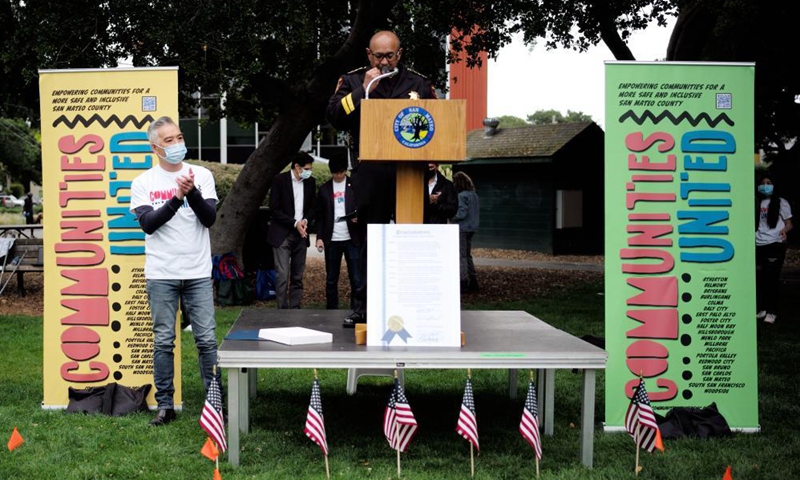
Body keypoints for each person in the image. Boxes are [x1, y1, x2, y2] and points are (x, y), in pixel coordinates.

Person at [327, 30, 437, 323]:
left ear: (399, 54)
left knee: (412, 240)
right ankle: (364, 309)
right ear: (368, 55)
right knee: (368, 243)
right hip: (370, 174)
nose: (385, 61)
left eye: (390, 55)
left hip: (409, 174)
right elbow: (335, 115)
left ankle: (414, 308)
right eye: (379, 56)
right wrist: (362, 91)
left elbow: (438, 121)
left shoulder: (418, 83)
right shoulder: (353, 80)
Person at [130, 116, 220, 426]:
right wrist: (176, 197)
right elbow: (148, 224)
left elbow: (209, 218)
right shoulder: (143, 183)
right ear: (155, 147)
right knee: (164, 340)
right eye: (168, 140)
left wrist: (191, 192)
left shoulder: (203, 175)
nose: (177, 144)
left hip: (196, 271)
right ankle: (165, 405)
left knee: (207, 340)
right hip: (162, 273)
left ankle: (214, 403)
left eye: (179, 137)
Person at [315, 156, 364, 326]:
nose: (338, 176)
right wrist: (320, 238)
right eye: (335, 173)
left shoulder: (355, 186)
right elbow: (320, 217)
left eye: (341, 172)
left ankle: (356, 311)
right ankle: (331, 310)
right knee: (331, 278)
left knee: (357, 278)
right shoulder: (324, 189)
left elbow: (363, 208)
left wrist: (359, 218)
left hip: (352, 238)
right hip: (332, 239)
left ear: (345, 170)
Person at [267, 152, 316, 309]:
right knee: (282, 275)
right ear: (297, 167)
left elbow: (312, 208)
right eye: (307, 168)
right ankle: (282, 310)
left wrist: (305, 221)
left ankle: (295, 310)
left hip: (301, 235)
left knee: (297, 276)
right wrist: (295, 223)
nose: (310, 171)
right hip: (282, 234)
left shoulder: (310, 182)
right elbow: (274, 209)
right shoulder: (279, 180)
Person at [755, 172, 793, 324]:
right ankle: (763, 309)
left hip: (775, 244)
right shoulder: (758, 203)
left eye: (768, 182)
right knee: (761, 278)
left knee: (772, 278)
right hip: (759, 243)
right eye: (763, 183)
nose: (765, 186)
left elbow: (789, 223)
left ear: (774, 185)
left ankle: (772, 312)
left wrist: (784, 230)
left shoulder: (781, 202)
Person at [452, 171, 480, 292]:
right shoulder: (474, 195)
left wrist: (450, 216)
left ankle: (463, 281)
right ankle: (473, 280)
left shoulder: (461, 195)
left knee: (461, 256)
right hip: (472, 227)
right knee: (467, 255)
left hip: (462, 228)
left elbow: (461, 213)